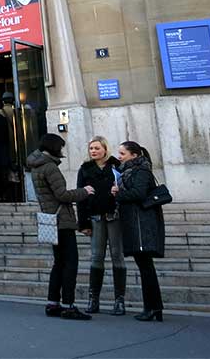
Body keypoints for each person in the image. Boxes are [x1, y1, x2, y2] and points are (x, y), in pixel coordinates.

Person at [28, 133, 95, 320]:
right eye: (61, 146)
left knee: (59, 262)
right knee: (70, 262)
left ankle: (53, 303)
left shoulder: (37, 166)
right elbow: (62, 195)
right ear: (54, 147)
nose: (62, 150)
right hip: (62, 220)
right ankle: (68, 305)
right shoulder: (50, 167)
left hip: (51, 219)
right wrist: (85, 191)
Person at [112, 141, 165, 322]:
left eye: (122, 153)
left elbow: (139, 193)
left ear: (134, 155)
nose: (119, 157)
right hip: (135, 222)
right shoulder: (128, 171)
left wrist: (117, 194)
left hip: (141, 223)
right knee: (144, 266)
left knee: (146, 267)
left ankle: (152, 307)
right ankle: (153, 307)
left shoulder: (141, 171)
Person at [76, 136, 126, 315]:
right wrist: (82, 223)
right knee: (96, 256)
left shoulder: (116, 167)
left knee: (116, 255)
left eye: (97, 148)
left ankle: (119, 300)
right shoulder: (85, 169)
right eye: (91, 148)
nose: (94, 151)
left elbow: (127, 187)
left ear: (105, 149)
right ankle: (93, 299)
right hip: (95, 217)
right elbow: (81, 198)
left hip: (114, 215)